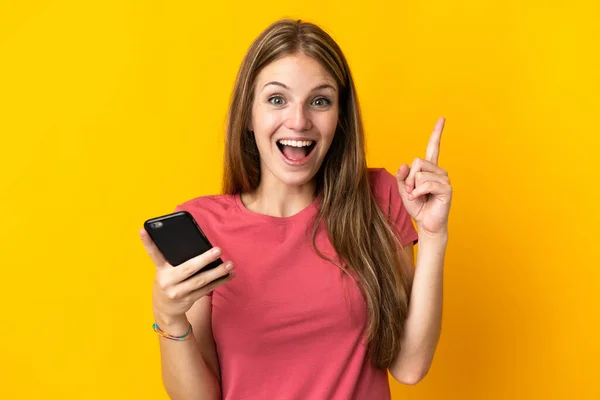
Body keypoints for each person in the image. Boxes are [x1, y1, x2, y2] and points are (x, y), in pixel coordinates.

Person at [140, 18, 452, 400]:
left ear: (340, 119)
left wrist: (434, 237)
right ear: (249, 116)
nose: (299, 120)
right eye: (277, 99)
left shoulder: (379, 198)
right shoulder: (205, 227)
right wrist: (168, 317)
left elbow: (409, 365)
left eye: (320, 101)